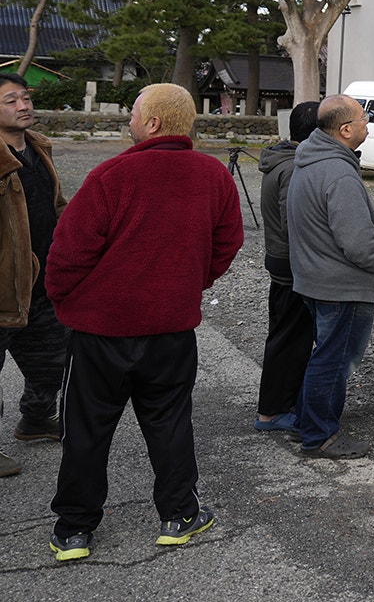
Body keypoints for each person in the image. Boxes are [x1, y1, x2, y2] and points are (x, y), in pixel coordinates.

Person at [46, 83, 243, 562]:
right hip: (171, 327)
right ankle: (179, 514)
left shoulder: (111, 175)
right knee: (169, 421)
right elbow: (227, 242)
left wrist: (65, 299)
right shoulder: (213, 175)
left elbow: (69, 253)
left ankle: (74, 529)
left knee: (86, 428)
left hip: (101, 331)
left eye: (134, 113)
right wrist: (191, 282)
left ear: (152, 123)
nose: (129, 120)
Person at [287, 95, 374, 459]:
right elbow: (358, 242)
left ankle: (306, 423)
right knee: (333, 360)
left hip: (316, 277)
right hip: (341, 284)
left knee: (325, 354)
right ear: (346, 129)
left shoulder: (311, 160)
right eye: (364, 119)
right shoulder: (337, 171)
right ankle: (319, 434)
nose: (369, 124)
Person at [0, 72, 69, 480]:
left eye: (25, 98)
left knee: (54, 361)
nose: (23, 106)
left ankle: (37, 418)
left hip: (41, 282)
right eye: (11, 100)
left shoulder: (39, 148)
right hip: (1, 286)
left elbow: (56, 203)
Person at [254, 100, 320, 434]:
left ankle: (284, 403)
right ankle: (272, 411)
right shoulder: (295, 166)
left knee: (288, 334)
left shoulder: (281, 158)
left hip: (281, 258)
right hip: (292, 262)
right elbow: (292, 220)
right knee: (289, 338)